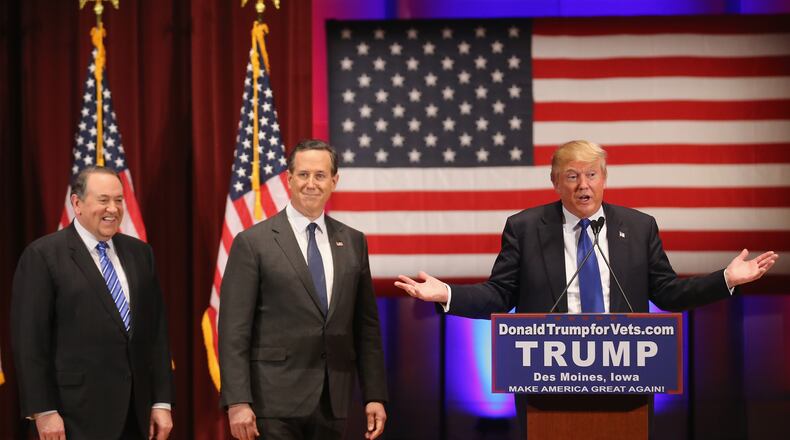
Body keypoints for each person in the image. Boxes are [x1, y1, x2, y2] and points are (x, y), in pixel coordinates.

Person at [394, 140, 778, 426]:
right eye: (572, 176)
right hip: (547, 384)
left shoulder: (638, 226)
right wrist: (446, 294)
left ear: (604, 179)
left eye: (592, 174)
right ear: (555, 182)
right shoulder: (525, 228)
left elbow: (668, 292)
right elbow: (499, 294)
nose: (583, 185)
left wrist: (726, 279)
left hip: (625, 382)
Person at [219, 139, 388, 440]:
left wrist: (374, 395)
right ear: (289, 179)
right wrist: (237, 401)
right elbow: (234, 331)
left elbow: (366, 327)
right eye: (303, 175)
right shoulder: (253, 242)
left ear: (334, 181)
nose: (311, 183)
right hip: (271, 402)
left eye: (320, 175)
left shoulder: (353, 242)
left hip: (332, 401)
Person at [11, 166, 174, 440]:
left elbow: (156, 333)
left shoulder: (140, 254)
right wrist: (43, 410)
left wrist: (161, 402)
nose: (113, 208)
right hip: (72, 418)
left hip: (136, 415)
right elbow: (29, 341)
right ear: (77, 203)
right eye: (103, 200)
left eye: (119, 200)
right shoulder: (43, 255)